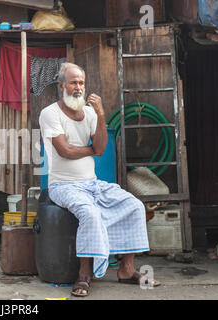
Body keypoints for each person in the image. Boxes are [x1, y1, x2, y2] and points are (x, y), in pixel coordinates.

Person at [39, 62, 160, 297]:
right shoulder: (50, 113)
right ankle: (85, 274)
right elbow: (64, 151)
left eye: (81, 83)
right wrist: (90, 150)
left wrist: (102, 113)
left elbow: (102, 148)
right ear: (61, 85)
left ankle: (126, 269)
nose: (78, 87)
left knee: (134, 206)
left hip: (92, 183)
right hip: (62, 185)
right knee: (90, 213)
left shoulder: (92, 113)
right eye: (73, 82)